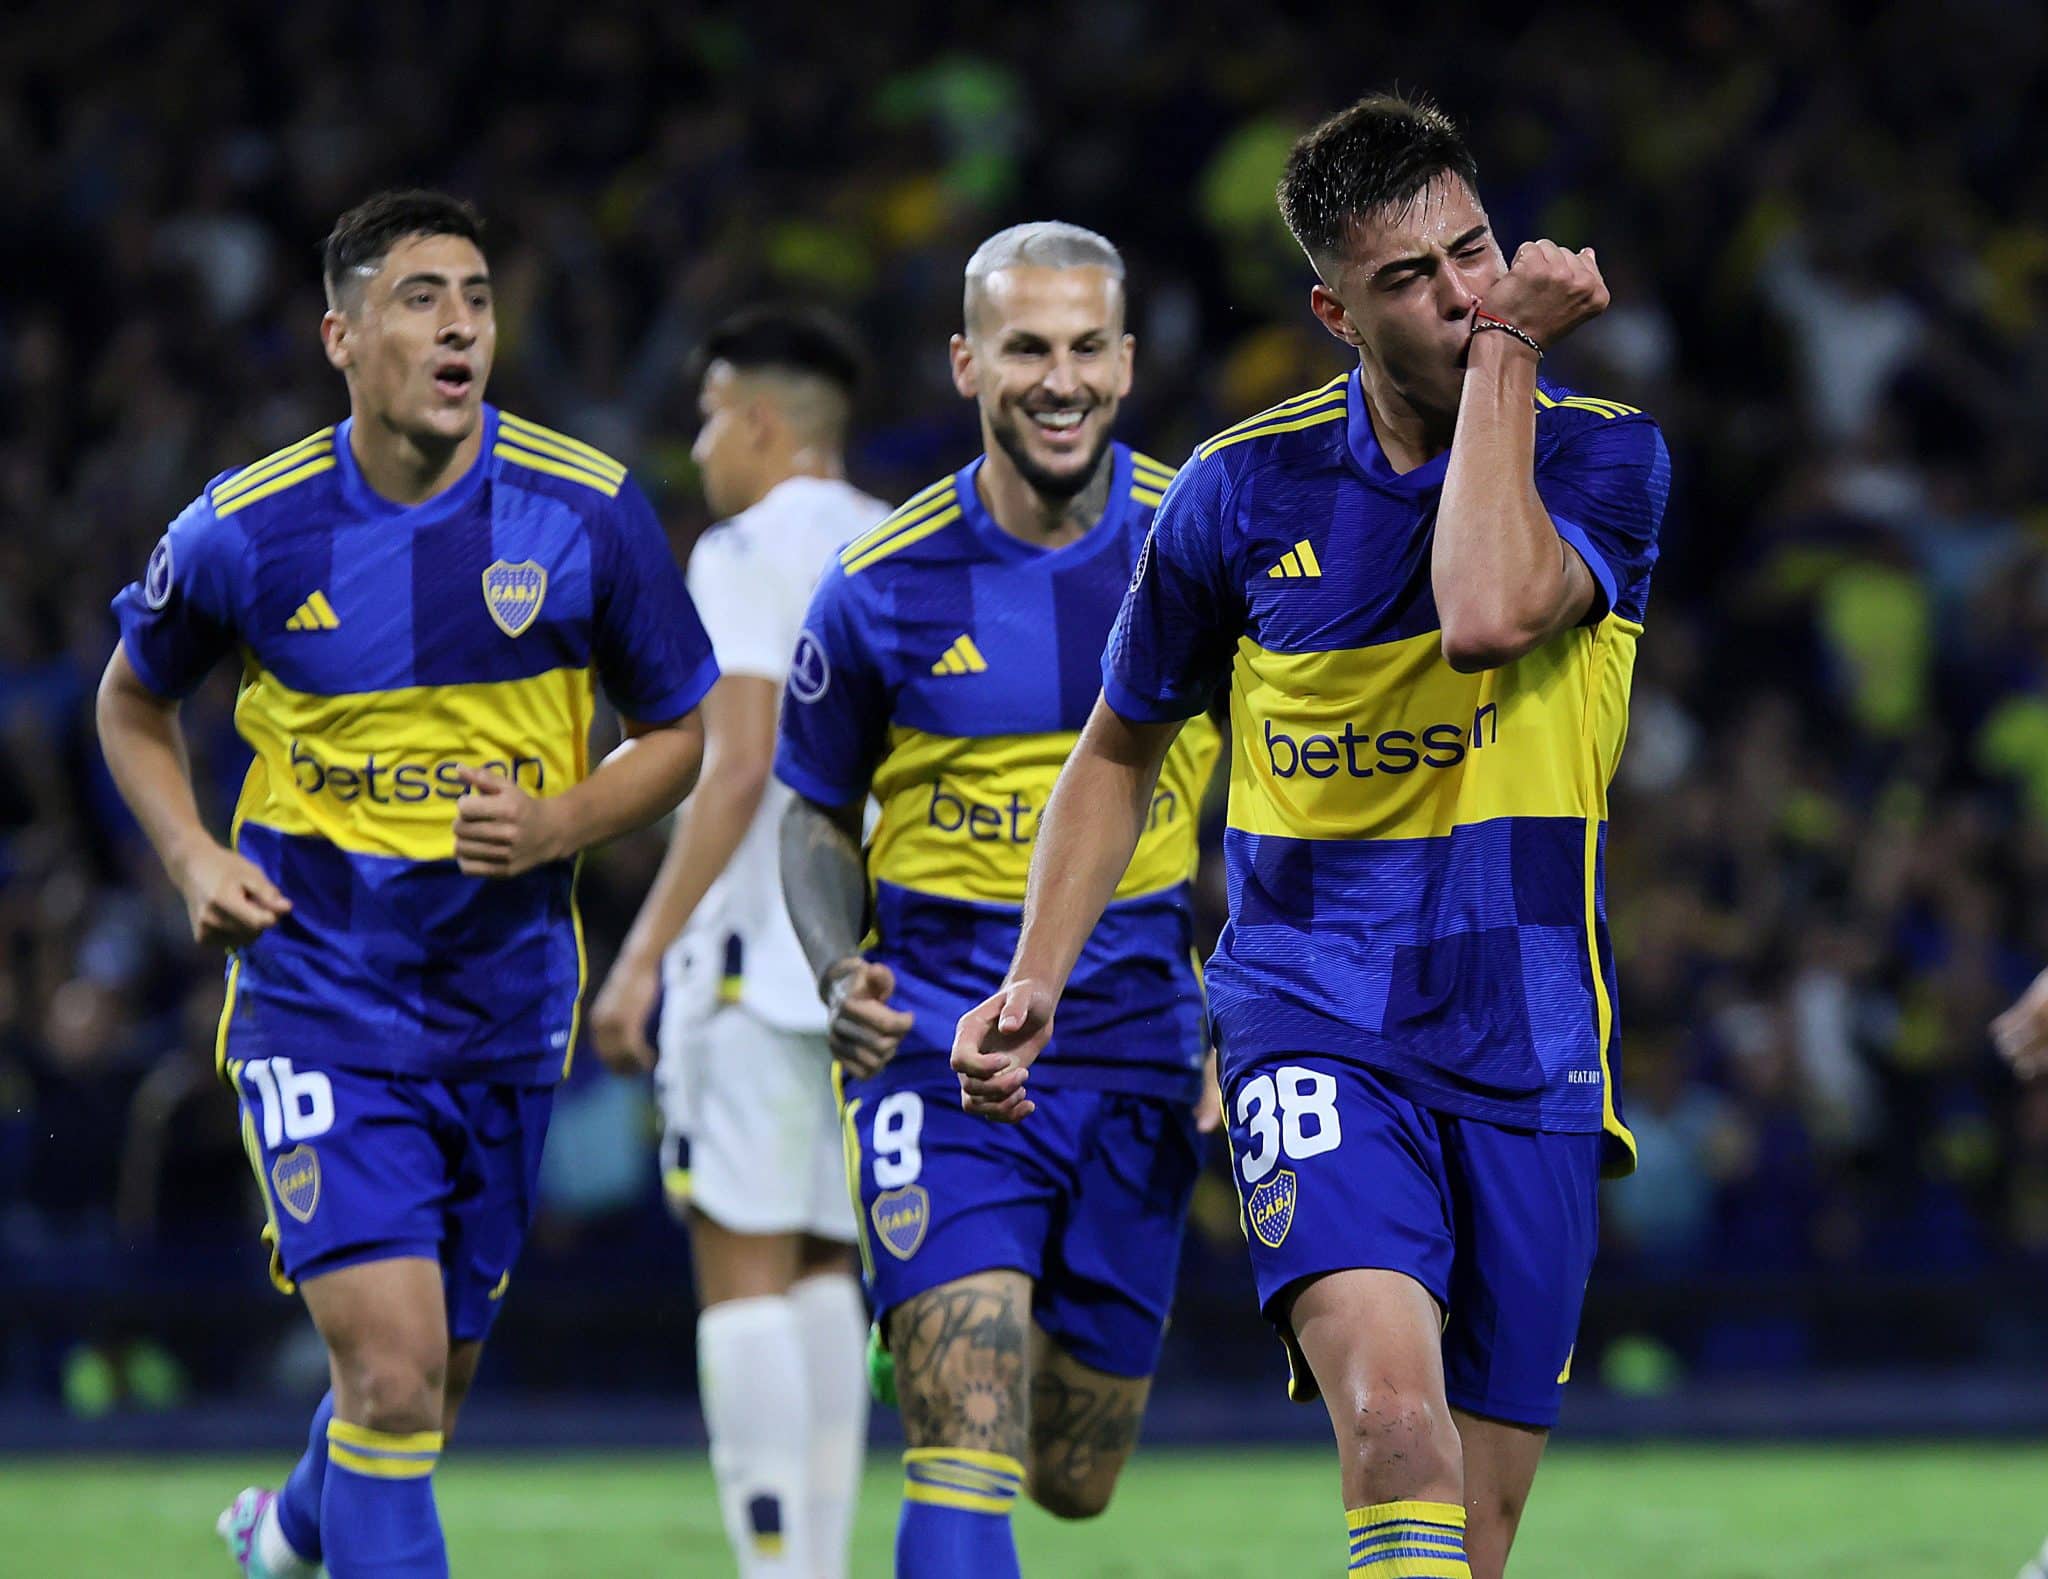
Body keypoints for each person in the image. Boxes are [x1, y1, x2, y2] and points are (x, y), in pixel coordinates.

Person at [952, 93, 1669, 1579]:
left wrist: (1502, 367)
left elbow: (1487, 604)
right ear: (1335, 314)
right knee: (1394, 1421)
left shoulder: (1608, 459)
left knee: (1475, 1530)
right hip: (1311, 1010)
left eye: (1474, 251)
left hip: (1527, 1024)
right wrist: (1036, 973)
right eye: (1410, 278)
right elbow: (1119, 746)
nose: (1462, 295)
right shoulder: (1238, 489)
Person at [96, 189, 719, 1579]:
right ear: (342, 336)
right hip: (317, 991)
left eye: (477, 300)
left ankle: (285, 1531)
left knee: (424, 1384)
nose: (459, 327)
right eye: (422, 299)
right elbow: (130, 701)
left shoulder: (586, 508)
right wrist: (195, 855)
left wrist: (559, 821)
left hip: (505, 1004)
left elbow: (682, 732)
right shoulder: (246, 529)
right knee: (387, 1372)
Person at [774, 221, 1221, 1578]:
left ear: (1127, 362)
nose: (1059, 379)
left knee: (1073, 1474)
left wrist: (1251, 1000)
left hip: (1140, 1034)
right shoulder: (878, 585)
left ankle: (936, 1312)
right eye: (1026, 347)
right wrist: (834, 965)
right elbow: (812, 810)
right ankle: (935, 1305)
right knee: (962, 1437)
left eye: (1086, 347)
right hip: (941, 1040)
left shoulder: (1209, 548)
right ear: (968, 363)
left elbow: (1289, 797)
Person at [588, 306, 888, 1579]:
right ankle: (816, 1564)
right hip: (871, 962)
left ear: (761, 422)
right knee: (823, 1261)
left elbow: (740, 758)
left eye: (711, 416)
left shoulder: (741, 548)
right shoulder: (899, 538)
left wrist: (643, 949)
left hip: (754, 958)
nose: (702, 443)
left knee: (743, 1267)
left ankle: (777, 1572)